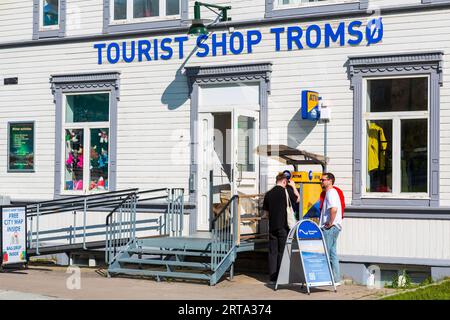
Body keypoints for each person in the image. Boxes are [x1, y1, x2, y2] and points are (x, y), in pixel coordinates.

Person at [262, 173, 292, 283]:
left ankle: (272, 278)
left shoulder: (268, 194)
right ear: (284, 181)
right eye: (287, 183)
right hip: (283, 226)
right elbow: (297, 199)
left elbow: (265, 214)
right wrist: (293, 186)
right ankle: (281, 276)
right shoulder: (286, 191)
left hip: (272, 227)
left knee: (272, 252)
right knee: (282, 251)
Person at [319, 172, 343, 285]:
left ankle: (325, 278)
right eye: (321, 180)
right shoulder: (331, 192)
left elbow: (334, 209)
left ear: (330, 181)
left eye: (323, 180)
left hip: (331, 228)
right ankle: (336, 279)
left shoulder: (330, 193)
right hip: (335, 227)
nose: (321, 182)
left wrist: (330, 222)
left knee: (326, 253)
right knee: (332, 253)